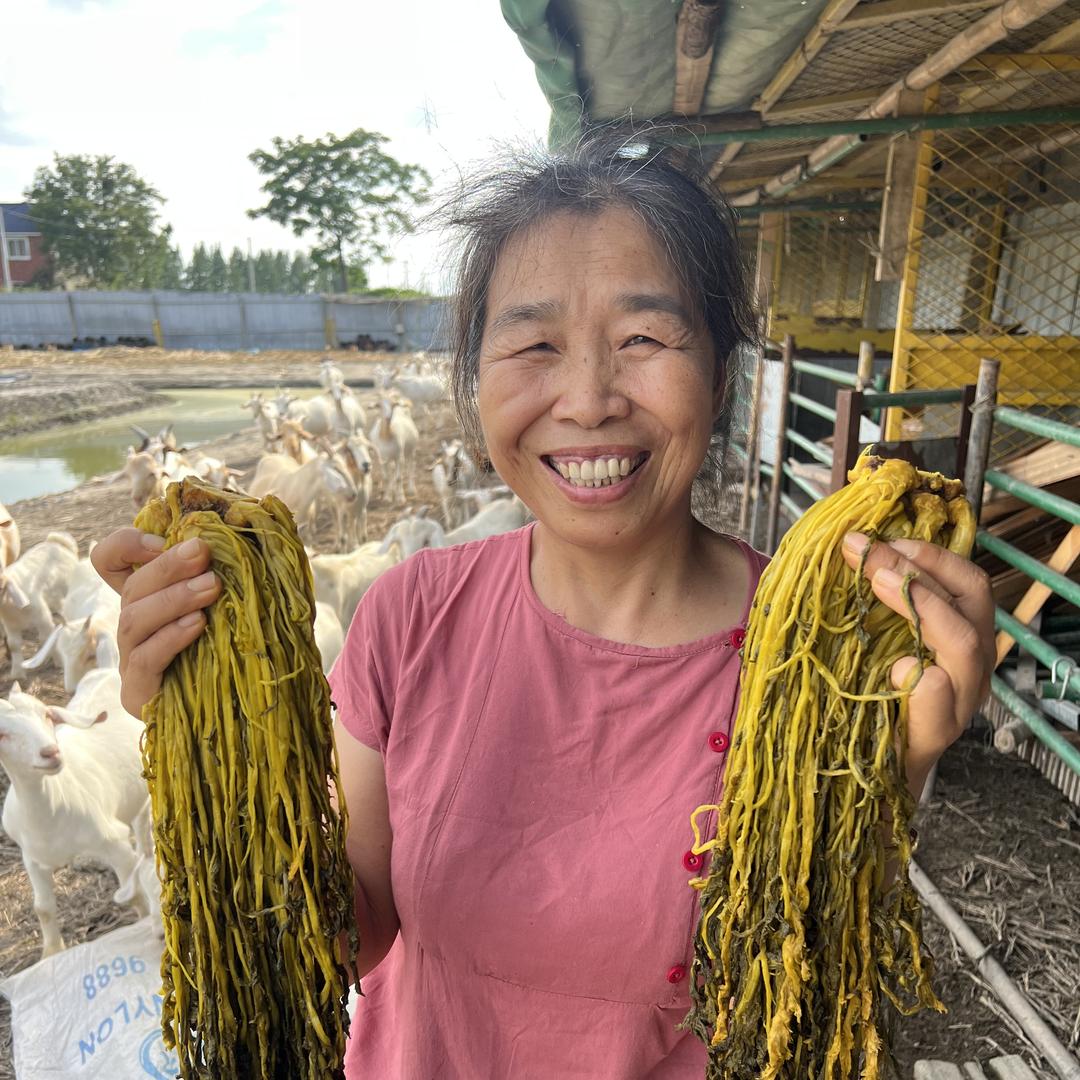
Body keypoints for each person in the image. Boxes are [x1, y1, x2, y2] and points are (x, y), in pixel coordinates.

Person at [90, 131, 994, 1079]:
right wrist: (213, 733)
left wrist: (898, 759)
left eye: (643, 339)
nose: (590, 398)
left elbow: (802, 985)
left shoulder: (814, 658)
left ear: (723, 377)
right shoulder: (409, 615)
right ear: (476, 387)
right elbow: (348, 934)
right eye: (532, 345)